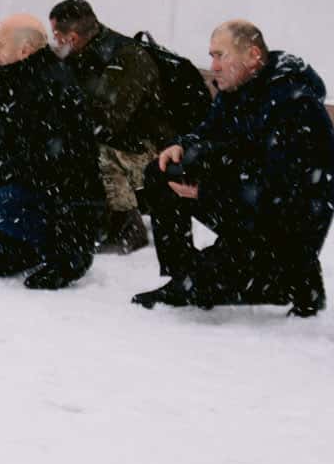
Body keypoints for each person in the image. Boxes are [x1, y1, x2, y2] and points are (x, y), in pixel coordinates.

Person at [134, 21, 334, 316]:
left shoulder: (295, 105)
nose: (213, 66)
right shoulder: (238, 87)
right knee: (163, 171)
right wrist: (183, 145)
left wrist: (207, 191)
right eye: (211, 56)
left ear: (253, 56)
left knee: (202, 287)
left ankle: (292, 281)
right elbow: (208, 131)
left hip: (285, 226)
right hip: (246, 201)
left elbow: (281, 190)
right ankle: (186, 272)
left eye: (220, 55)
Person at [0, 16, 107, 289]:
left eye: (0, 44)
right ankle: (31, 247)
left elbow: (46, 158)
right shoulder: (12, 78)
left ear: (25, 49)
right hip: (25, 183)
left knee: (4, 203)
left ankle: (68, 252)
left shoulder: (51, 85)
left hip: (63, 198)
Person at [47, 0, 184, 254]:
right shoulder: (86, 51)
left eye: (57, 35)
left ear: (73, 37)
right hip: (125, 139)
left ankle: (127, 223)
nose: (55, 42)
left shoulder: (126, 58)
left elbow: (108, 122)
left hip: (151, 149)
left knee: (95, 153)